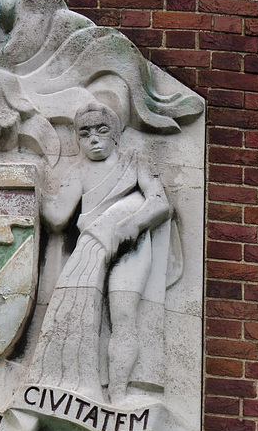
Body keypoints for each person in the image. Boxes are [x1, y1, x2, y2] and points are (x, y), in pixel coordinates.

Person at [33, 102, 172, 404]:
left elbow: (160, 202)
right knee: (81, 316)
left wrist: (133, 223)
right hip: (90, 249)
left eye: (101, 130)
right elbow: (57, 217)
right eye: (85, 133)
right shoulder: (77, 172)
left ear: (115, 134)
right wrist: (33, 189)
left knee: (123, 315)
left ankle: (118, 395)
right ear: (78, 140)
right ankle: (80, 384)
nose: (94, 138)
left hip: (130, 248)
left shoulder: (135, 162)